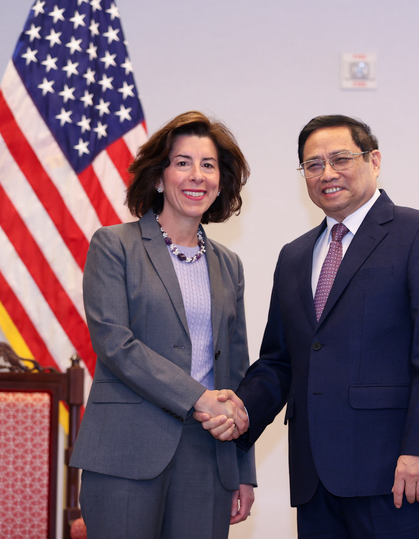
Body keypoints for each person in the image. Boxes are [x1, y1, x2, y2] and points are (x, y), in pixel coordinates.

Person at [199, 115, 419, 538]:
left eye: (340, 158)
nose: (327, 173)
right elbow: (279, 362)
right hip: (315, 480)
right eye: (313, 165)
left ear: (374, 160)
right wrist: (242, 410)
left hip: (397, 475)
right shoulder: (294, 256)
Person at [70, 111, 256, 539]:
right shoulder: (114, 245)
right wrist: (199, 399)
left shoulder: (229, 264)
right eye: (183, 162)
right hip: (126, 452)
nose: (197, 175)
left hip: (208, 454)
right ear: (159, 177)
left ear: (221, 182)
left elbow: (237, 373)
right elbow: (116, 344)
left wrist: (242, 467)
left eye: (208, 165)